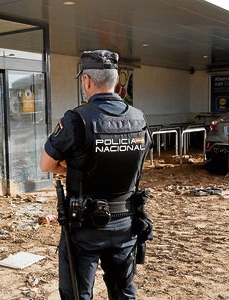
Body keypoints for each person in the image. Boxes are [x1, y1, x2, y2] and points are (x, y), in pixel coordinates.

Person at [41, 50, 152, 299]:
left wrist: (73, 166)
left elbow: (46, 164)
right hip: (126, 223)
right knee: (123, 292)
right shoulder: (139, 118)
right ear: (116, 81)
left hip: (85, 227)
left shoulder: (76, 120)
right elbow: (138, 163)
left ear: (87, 80)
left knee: (79, 295)